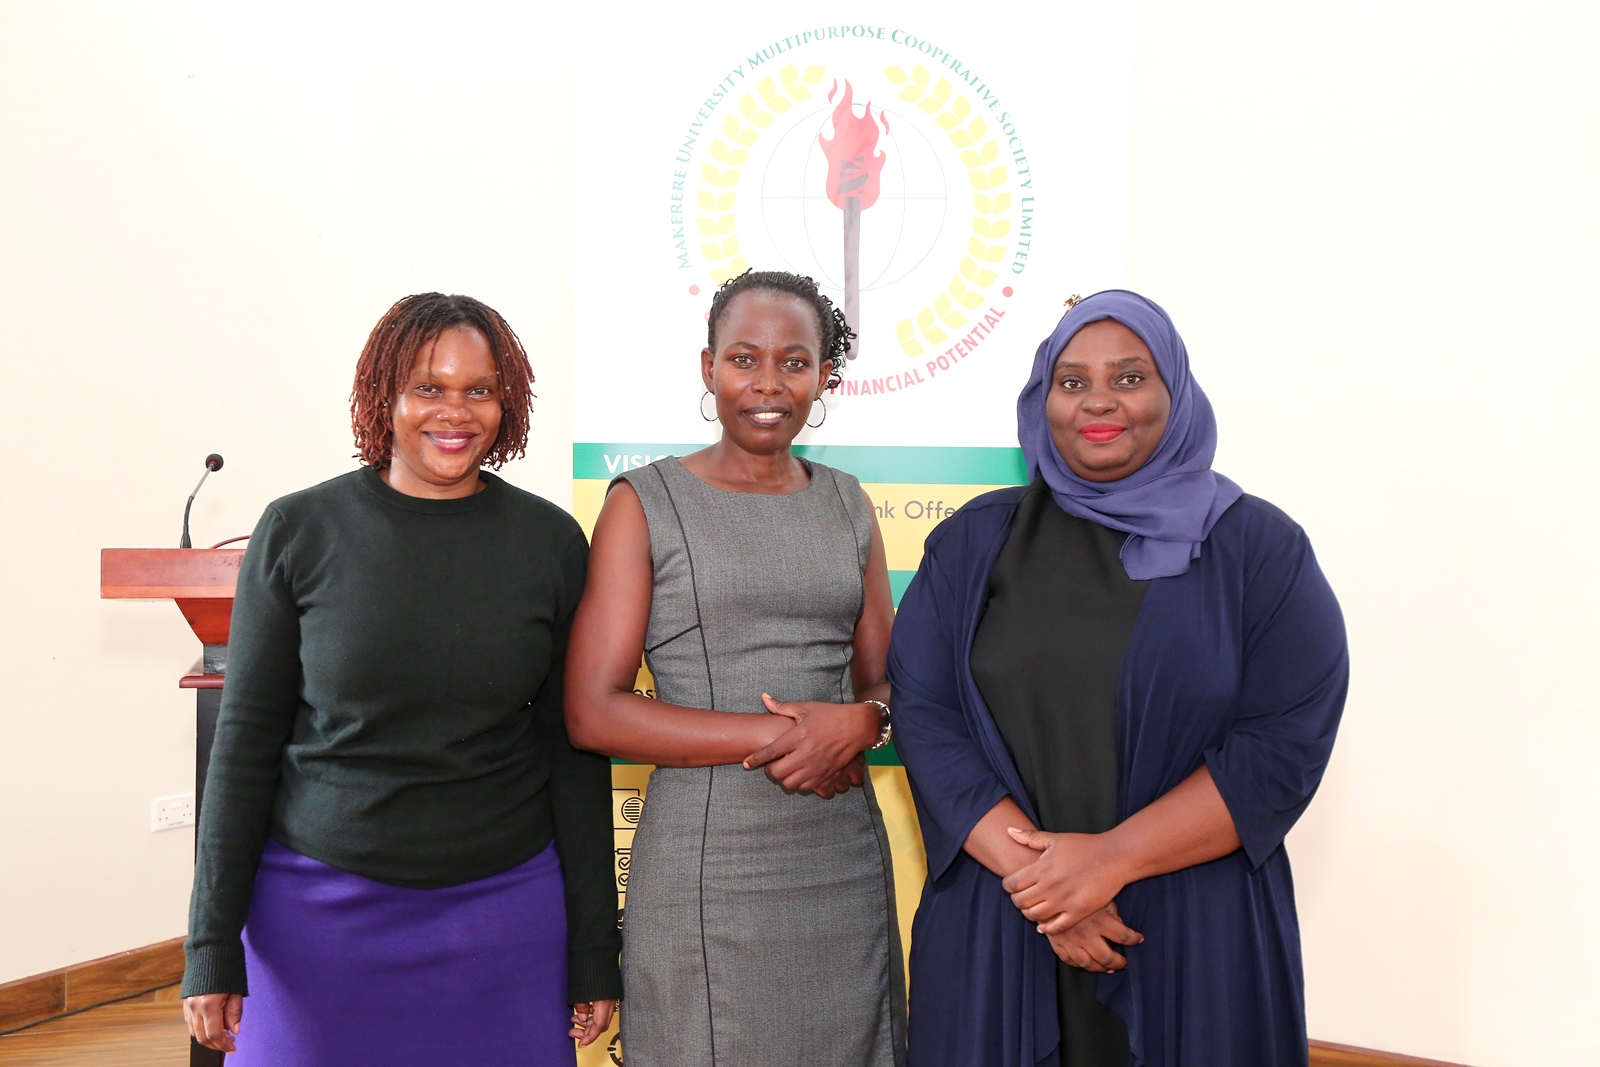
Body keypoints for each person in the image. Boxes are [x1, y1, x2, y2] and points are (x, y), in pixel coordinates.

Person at [888, 290, 1348, 1067]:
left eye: (1130, 377)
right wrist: (1049, 885)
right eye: (1072, 381)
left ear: (1176, 390)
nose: (1098, 400)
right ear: (1043, 400)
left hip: (1196, 927)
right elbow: (927, 713)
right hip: (1003, 919)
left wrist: (1108, 861)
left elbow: (1283, 741)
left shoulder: (1259, 549)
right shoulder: (971, 543)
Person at [180, 293, 621, 1065]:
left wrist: (593, 945)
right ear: (383, 396)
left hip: (503, 914)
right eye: (428, 386)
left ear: (505, 401)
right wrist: (211, 941)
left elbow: (570, 754)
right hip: (316, 912)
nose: (455, 411)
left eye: (478, 389)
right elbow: (243, 749)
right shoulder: (298, 531)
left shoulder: (550, 542)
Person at [564, 269, 907, 1067]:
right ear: (707, 367)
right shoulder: (644, 501)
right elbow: (593, 710)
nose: (768, 382)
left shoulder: (850, 504)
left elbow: (886, 683)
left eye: (794, 362)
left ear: (825, 376)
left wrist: (864, 722)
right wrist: (791, 736)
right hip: (706, 866)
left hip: (840, 860)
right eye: (744, 358)